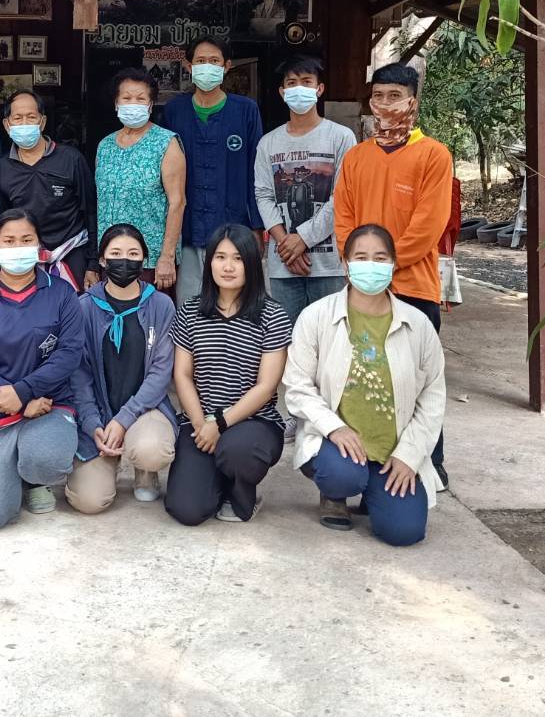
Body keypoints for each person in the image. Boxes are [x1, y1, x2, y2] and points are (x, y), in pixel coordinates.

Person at [283, 224, 445, 545]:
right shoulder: (315, 317)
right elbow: (297, 386)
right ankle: (336, 495)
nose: (370, 264)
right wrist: (334, 428)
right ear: (345, 265)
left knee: (405, 532)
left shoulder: (418, 325)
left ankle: (375, 490)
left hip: (392, 450)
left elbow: (433, 397)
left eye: (380, 257)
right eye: (361, 257)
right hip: (339, 446)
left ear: (394, 264)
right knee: (341, 474)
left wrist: (409, 455)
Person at [332, 61, 454, 483]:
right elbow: (343, 218)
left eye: (394, 97)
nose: (384, 105)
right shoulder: (356, 157)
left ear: (412, 102)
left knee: (418, 381)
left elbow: (428, 225)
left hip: (413, 288)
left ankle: (427, 464)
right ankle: (367, 462)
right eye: (378, 96)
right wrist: (358, 269)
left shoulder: (433, 156)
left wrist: (384, 266)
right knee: (366, 378)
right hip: (362, 290)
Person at [0, 210, 85, 529]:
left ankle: (34, 478)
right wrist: (20, 402)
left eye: (27, 240)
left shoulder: (62, 293)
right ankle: (7, 471)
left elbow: (68, 354)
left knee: (47, 460)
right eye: (8, 241)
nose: (18, 246)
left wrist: (24, 392)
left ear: (39, 247)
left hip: (48, 407)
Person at [163, 223, 290, 525]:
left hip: (253, 423)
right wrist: (200, 422)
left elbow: (266, 386)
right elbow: (182, 375)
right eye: (220, 257)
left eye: (238, 258)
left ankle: (243, 494)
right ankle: (214, 481)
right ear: (209, 263)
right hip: (199, 422)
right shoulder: (191, 311)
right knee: (187, 510)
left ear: (252, 263)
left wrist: (219, 424)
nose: (228, 266)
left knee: (238, 451)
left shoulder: (273, 315)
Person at [64, 224, 177, 513]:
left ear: (144, 260)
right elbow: (78, 374)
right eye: (115, 253)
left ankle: (144, 469)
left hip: (144, 408)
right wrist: (92, 422)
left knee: (152, 450)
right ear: (102, 260)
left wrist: (124, 419)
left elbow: (161, 374)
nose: (123, 261)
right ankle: (107, 459)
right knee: (88, 501)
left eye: (132, 254)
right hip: (99, 412)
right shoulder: (83, 307)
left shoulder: (161, 305)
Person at [255, 56, 356, 322]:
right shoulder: (268, 143)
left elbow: (343, 197)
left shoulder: (341, 137)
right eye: (292, 83)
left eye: (306, 82)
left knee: (329, 341)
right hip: (283, 263)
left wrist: (303, 239)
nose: (299, 88)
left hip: (329, 266)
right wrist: (284, 243)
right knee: (284, 342)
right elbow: (264, 195)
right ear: (282, 92)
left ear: (319, 89)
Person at [162, 35, 263, 298]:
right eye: (201, 61)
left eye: (214, 61)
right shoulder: (174, 111)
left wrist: (256, 225)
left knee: (234, 303)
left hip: (234, 223)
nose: (207, 66)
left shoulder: (246, 111)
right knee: (189, 304)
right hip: (187, 228)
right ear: (188, 66)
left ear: (227, 66)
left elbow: (257, 170)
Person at [95, 67, 186, 292]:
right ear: (116, 102)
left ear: (150, 104)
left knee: (150, 322)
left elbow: (177, 202)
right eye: (126, 98)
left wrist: (167, 256)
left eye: (140, 98)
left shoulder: (166, 143)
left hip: (150, 261)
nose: (132, 103)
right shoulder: (105, 146)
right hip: (110, 257)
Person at [0, 89, 98, 291]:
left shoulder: (71, 158)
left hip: (72, 252)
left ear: (42, 122)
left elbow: (91, 211)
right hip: (25, 255)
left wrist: (93, 263)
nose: (25, 123)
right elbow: (3, 217)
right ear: (7, 125)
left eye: (31, 117)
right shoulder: (3, 167)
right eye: (18, 118)